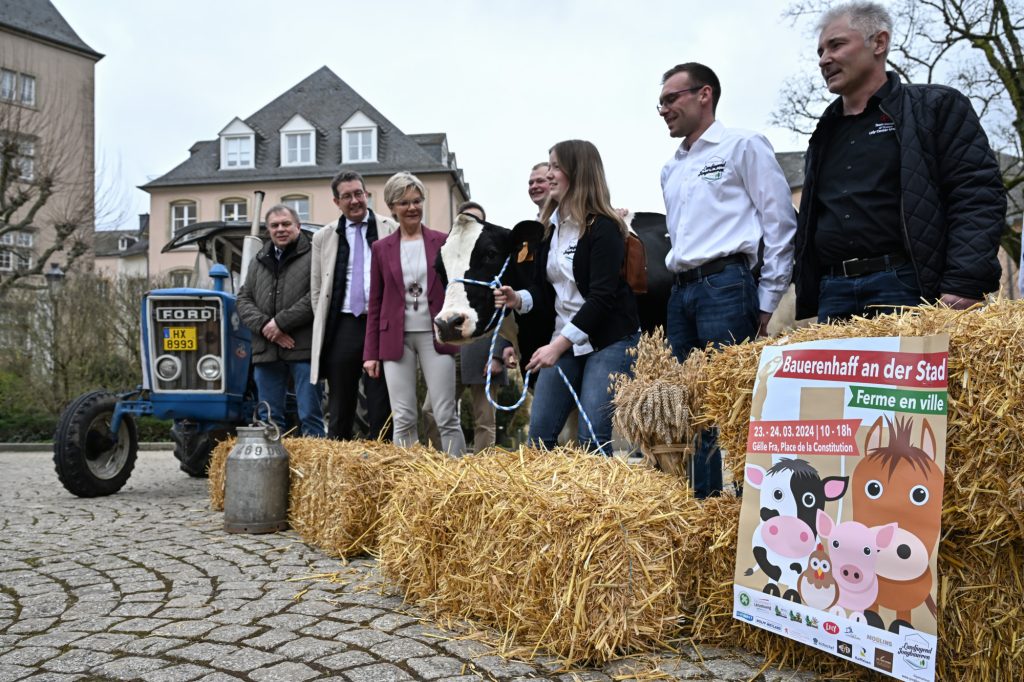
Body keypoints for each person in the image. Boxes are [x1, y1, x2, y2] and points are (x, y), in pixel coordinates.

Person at [795, 1, 1006, 322]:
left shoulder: (935, 107)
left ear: (879, 42)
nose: (824, 59)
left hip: (906, 288)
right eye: (820, 51)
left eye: (836, 45)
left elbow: (977, 193)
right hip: (833, 294)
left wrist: (966, 280)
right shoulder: (823, 134)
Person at [658, 61, 796, 497]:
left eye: (670, 98)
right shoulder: (671, 168)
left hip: (726, 283)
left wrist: (767, 297)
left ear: (705, 94)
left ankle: (749, 501)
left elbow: (779, 222)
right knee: (693, 404)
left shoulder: (744, 146)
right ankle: (705, 504)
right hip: (681, 290)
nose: (662, 109)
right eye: (659, 102)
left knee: (733, 399)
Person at [495, 140, 639, 456]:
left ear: (578, 171)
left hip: (609, 340)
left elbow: (601, 298)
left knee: (592, 438)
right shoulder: (549, 229)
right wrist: (518, 299)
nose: (549, 174)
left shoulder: (604, 227)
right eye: (549, 166)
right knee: (538, 439)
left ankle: (599, 504)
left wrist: (557, 346)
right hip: (565, 340)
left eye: (556, 167)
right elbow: (546, 291)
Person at [363, 172, 467, 456]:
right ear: (392, 207)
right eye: (404, 202)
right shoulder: (381, 249)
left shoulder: (443, 242)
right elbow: (376, 301)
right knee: (404, 416)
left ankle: (459, 477)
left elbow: (457, 290)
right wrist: (370, 352)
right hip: (394, 338)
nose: (412, 208)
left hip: (437, 335)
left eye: (417, 201)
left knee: (445, 414)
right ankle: (408, 482)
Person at [310, 170, 396, 441]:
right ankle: (338, 464)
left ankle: (382, 462)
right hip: (344, 323)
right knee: (339, 403)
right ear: (336, 202)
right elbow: (316, 288)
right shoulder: (323, 237)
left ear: (367, 194)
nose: (355, 200)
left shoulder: (389, 228)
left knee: (381, 401)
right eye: (347, 196)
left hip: (380, 323)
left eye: (358, 193)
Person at [423, 201, 510, 452]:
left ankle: (483, 475)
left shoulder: (492, 256)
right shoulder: (450, 257)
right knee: (431, 410)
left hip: (484, 349)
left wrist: (497, 356)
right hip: (451, 351)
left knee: (485, 418)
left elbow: (506, 312)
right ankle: (441, 465)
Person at [237, 205, 325, 436]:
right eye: (275, 225)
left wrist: (281, 324)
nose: (281, 229)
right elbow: (244, 299)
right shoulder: (258, 260)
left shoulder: (314, 255)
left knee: (310, 416)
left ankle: (314, 472)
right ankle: (272, 470)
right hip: (266, 351)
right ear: (268, 230)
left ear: (297, 226)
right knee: (269, 420)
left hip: (303, 349)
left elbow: (317, 296)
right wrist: (267, 326)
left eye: (286, 224)